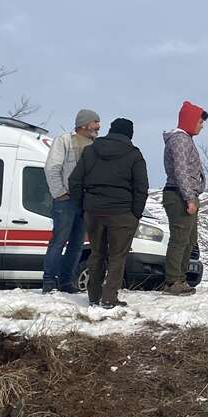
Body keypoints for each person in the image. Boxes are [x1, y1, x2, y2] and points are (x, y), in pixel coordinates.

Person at [68, 118, 149, 309]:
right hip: (122, 212)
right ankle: (109, 298)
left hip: (93, 211)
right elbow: (141, 188)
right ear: (130, 134)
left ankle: (93, 296)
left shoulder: (91, 151)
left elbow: (74, 181)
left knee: (96, 254)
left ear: (111, 131)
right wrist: (135, 214)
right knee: (117, 256)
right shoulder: (134, 155)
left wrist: (83, 206)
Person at [41, 109, 101, 294]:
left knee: (76, 245)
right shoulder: (64, 141)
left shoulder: (97, 145)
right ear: (83, 124)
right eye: (95, 122)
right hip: (65, 201)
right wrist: (59, 193)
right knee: (59, 241)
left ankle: (66, 282)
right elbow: (52, 167)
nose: (98, 126)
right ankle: (49, 282)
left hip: (85, 203)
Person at [162, 101, 208, 296]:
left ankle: (180, 278)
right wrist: (189, 198)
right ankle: (173, 280)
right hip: (179, 195)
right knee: (180, 239)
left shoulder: (186, 139)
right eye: (199, 121)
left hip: (185, 194)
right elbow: (181, 171)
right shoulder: (180, 140)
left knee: (189, 239)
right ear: (190, 120)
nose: (201, 125)